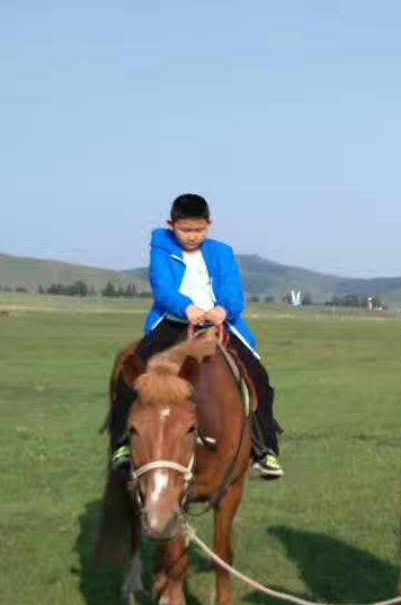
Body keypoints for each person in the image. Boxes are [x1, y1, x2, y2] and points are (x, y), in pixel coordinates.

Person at [106, 193, 284, 478]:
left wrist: (223, 310)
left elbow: (234, 292)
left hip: (219, 324)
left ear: (209, 226)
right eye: (185, 230)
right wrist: (185, 307)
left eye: (198, 230)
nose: (191, 236)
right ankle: (122, 444)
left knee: (258, 377)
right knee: (133, 375)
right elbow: (162, 287)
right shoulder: (161, 248)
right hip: (173, 322)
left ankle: (265, 450)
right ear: (171, 224)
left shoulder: (222, 253)